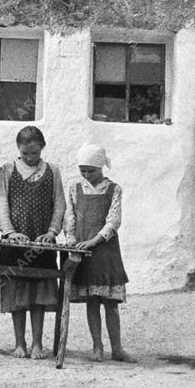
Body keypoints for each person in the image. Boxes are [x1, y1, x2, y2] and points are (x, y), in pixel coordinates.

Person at [0, 126, 66, 359]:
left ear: (42, 148)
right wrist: (10, 233)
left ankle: (37, 343)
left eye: (34, 153)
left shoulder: (52, 171)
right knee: (17, 293)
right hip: (15, 244)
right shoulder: (7, 170)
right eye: (25, 153)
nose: (29, 157)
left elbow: (59, 204)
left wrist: (51, 232)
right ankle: (20, 343)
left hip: (41, 242)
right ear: (19, 149)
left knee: (38, 294)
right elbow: (1, 204)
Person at [64, 143, 134, 362]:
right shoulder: (74, 188)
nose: (86, 175)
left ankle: (117, 348)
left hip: (106, 251)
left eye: (91, 171)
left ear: (101, 167)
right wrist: (72, 241)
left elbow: (114, 221)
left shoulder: (114, 189)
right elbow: (70, 217)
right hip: (84, 252)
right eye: (83, 170)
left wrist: (94, 241)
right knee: (92, 302)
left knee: (110, 304)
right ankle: (97, 346)